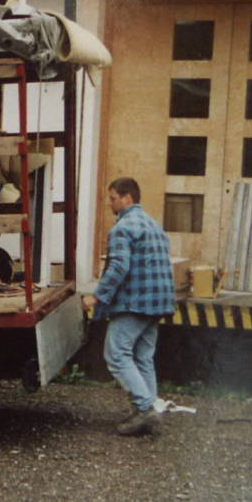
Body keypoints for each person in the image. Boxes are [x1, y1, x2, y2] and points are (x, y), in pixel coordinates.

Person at [82, 177, 175, 436]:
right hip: (158, 303)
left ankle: (145, 410)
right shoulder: (154, 225)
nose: (110, 204)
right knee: (143, 357)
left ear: (127, 198)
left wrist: (97, 296)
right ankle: (147, 410)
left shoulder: (123, 228)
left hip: (135, 303)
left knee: (117, 355)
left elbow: (119, 266)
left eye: (112, 198)